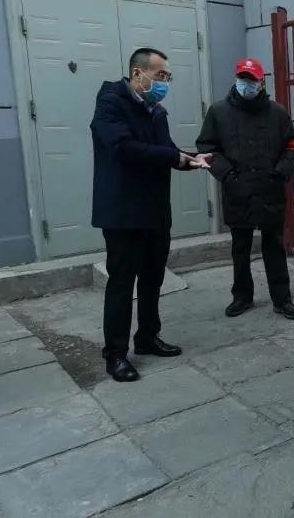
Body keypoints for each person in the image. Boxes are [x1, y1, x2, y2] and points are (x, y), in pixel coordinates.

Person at [91, 47, 211, 382]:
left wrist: (192, 159)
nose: (164, 83)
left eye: (168, 77)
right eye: (160, 75)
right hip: (123, 213)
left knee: (152, 278)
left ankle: (147, 337)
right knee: (121, 284)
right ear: (138, 74)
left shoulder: (156, 111)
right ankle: (116, 355)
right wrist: (173, 157)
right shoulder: (111, 103)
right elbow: (124, 148)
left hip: (155, 211)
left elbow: (165, 151)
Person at [196, 58, 294, 321]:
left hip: (270, 190)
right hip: (238, 191)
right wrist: (228, 176)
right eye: (243, 79)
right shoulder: (218, 112)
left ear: (261, 82)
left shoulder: (277, 112)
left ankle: (282, 298)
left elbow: (292, 146)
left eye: (252, 80)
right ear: (236, 79)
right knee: (240, 248)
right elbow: (208, 148)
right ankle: (242, 296)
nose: (247, 84)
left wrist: (281, 173)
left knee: (274, 247)